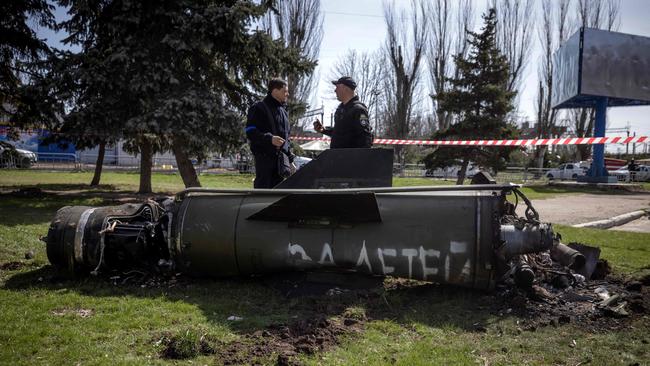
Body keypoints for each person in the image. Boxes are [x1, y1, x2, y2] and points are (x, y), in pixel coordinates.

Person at [246, 78, 295, 188]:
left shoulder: (284, 112)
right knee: (262, 196)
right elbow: (250, 132)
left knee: (278, 197)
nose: (287, 94)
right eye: (284, 91)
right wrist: (269, 139)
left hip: (281, 163)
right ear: (275, 91)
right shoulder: (258, 108)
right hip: (264, 160)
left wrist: (290, 160)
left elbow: (287, 138)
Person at [313, 76, 373, 149]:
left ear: (346, 89)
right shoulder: (340, 109)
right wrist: (324, 130)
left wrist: (359, 158)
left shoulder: (358, 109)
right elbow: (341, 133)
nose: (335, 90)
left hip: (350, 158)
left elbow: (365, 137)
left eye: (337, 87)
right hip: (337, 156)